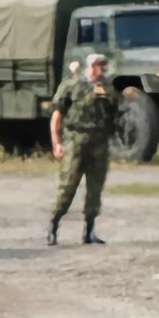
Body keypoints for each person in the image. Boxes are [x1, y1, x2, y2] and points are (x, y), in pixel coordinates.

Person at [48, 51, 118, 246]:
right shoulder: (72, 85)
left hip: (99, 143)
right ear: (91, 66)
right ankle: (53, 226)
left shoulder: (108, 89)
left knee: (95, 189)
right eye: (99, 65)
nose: (102, 69)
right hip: (75, 142)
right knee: (67, 187)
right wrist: (57, 143)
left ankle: (89, 231)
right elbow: (57, 116)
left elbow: (114, 114)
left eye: (104, 66)